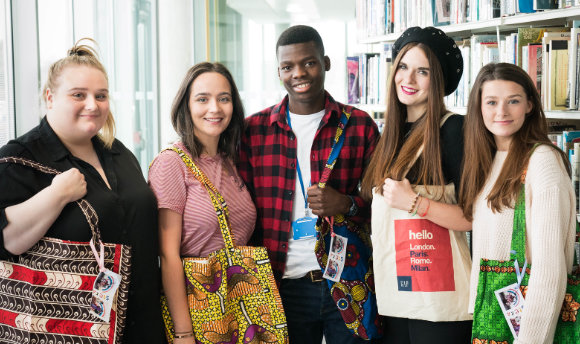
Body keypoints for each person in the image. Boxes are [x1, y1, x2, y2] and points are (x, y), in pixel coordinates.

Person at [0, 38, 164, 343]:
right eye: (79, 95)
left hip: (141, 323)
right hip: (67, 330)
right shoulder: (18, 160)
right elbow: (8, 240)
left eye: (100, 96)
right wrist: (57, 194)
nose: (93, 104)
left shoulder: (119, 153)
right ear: (50, 97)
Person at [238, 25, 380, 343]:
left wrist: (346, 204)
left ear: (326, 62)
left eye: (309, 63)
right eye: (288, 67)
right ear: (279, 72)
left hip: (346, 280)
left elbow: (384, 209)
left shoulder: (359, 126)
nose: (299, 73)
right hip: (281, 285)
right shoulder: (254, 132)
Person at [360, 26, 472, 344]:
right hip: (396, 295)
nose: (408, 80)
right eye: (404, 67)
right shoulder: (389, 136)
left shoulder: (454, 130)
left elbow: (473, 216)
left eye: (422, 71)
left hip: (439, 303)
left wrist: (415, 203)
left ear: (438, 81)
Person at [459, 62, 575, 343]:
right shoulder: (488, 160)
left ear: (530, 106)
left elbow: (549, 269)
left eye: (513, 101)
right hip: (492, 319)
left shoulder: (542, 161)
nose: (501, 112)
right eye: (491, 102)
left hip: (528, 331)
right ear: (479, 108)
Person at [148, 62, 256, 343]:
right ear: (186, 105)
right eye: (203, 99)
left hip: (237, 303)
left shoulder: (230, 160)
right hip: (196, 309)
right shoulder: (171, 163)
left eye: (224, 98)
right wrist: (184, 333)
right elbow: (168, 255)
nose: (215, 108)